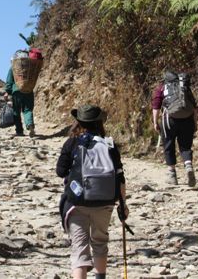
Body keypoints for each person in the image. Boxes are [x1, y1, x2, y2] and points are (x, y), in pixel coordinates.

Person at [56, 105, 128, 279]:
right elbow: (120, 177)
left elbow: (60, 171)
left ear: (79, 122)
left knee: (79, 248)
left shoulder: (72, 142)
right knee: (100, 243)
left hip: (77, 202)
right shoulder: (109, 144)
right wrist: (123, 205)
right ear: (99, 122)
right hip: (105, 202)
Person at [152, 71, 198, 187]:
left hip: (169, 120)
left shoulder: (161, 88)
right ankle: (188, 166)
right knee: (185, 146)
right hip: (187, 119)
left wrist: (155, 122)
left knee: (168, 145)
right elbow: (194, 108)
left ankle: (172, 175)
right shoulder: (184, 87)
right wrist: (195, 123)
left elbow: (156, 107)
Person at [4, 49, 40, 137]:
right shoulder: (31, 66)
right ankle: (30, 125)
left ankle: (19, 131)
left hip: (16, 91)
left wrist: (7, 92)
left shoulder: (14, 66)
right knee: (27, 110)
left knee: (16, 111)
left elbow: (9, 81)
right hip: (28, 90)